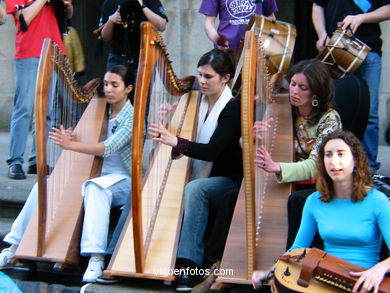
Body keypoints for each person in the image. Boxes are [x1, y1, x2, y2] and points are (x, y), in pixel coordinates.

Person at [0, 65, 134, 283]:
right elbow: (90, 143)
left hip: (122, 180)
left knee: (94, 188)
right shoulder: (102, 110)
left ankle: (96, 258)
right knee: (43, 184)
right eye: (107, 84)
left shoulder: (133, 117)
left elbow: (107, 147)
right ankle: (14, 245)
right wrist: (72, 138)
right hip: (96, 174)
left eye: (115, 85)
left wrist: (71, 146)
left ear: (128, 88)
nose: (108, 89)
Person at [148, 48, 243, 291]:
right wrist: (166, 125)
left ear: (226, 78)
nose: (201, 81)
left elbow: (212, 151)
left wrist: (175, 141)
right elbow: (186, 142)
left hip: (226, 180)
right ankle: (115, 254)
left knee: (195, 188)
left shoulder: (232, 108)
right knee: (145, 182)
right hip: (200, 172)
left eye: (208, 76)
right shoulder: (193, 101)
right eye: (199, 74)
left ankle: (188, 267)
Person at [253, 130, 390, 293]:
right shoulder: (314, 201)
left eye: (341, 154)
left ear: (355, 160)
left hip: (365, 284)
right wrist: (268, 271)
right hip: (325, 281)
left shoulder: (377, 201)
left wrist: (380, 268)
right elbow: (297, 248)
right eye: (328, 155)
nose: (334, 161)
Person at [254, 59, 342, 249]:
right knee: (237, 195)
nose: (294, 91)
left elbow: (315, 165)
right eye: (293, 84)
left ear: (316, 93)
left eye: (303, 87)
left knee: (296, 200)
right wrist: (252, 137)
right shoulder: (283, 110)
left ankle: (291, 261)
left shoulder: (329, 120)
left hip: (323, 184)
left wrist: (277, 167)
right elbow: (252, 150)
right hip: (290, 179)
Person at [312, 0, 390, 173]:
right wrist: (322, 34)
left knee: (370, 113)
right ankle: (336, 165)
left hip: (369, 50)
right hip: (335, 48)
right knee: (333, 110)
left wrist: (362, 17)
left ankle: (368, 169)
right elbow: (318, 6)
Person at [5, 0, 73, 180]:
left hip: (53, 50)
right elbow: (24, 18)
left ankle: (38, 160)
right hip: (29, 51)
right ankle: (15, 161)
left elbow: (68, 15)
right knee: (24, 109)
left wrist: (67, 5)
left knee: (47, 113)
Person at [98, 0, 167, 81]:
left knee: (141, 93)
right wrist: (111, 21)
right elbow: (105, 37)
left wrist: (143, 6)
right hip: (117, 58)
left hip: (143, 58)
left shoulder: (149, 1)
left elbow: (162, 25)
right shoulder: (109, 2)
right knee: (114, 92)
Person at [199, 0, 278, 53]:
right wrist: (218, 40)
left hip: (256, 49)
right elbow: (208, 23)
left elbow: (271, 17)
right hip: (227, 51)